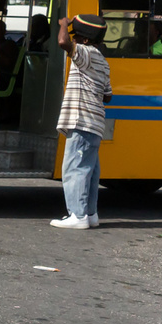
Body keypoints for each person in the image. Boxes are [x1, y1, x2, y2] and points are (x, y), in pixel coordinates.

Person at [51, 13, 112, 230]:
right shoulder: (103, 62)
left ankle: (77, 215)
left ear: (85, 40)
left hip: (82, 120)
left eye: (76, 36)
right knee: (90, 171)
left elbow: (62, 42)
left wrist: (64, 25)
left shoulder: (86, 53)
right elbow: (107, 96)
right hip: (95, 122)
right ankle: (90, 214)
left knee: (74, 168)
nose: (72, 39)